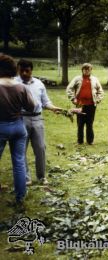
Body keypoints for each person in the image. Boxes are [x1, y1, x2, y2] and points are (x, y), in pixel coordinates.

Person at [16, 59, 62, 186]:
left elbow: (45, 102)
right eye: (22, 71)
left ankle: (41, 177)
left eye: (27, 71)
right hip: (21, 118)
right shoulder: (14, 83)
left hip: (37, 119)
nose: (24, 73)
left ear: (31, 70)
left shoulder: (39, 84)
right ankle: (26, 178)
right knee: (21, 149)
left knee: (40, 148)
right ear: (18, 70)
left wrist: (53, 108)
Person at [0, 53, 35, 204]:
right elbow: (31, 106)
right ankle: (20, 196)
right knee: (19, 162)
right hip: (18, 127)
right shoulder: (21, 87)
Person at [66, 63, 104, 145]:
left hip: (91, 105)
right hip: (80, 105)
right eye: (85, 69)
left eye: (88, 69)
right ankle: (80, 141)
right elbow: (69, 88)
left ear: (91, 70)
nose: (86, 71)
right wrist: (73, 98)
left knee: (89, 123)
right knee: (80, 123)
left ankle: (90, 141)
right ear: (82, 70)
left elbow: (100, 91)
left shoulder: (94, 79)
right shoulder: (77, 79)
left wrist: (97, 100)